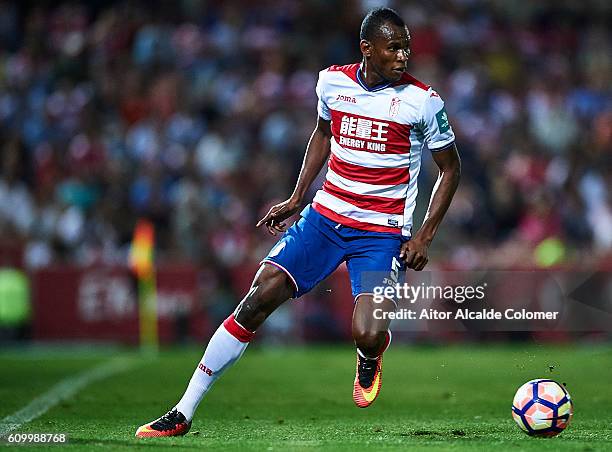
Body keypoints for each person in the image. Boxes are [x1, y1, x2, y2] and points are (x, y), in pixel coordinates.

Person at [135, 7, 461, 437]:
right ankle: (182, 411)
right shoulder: (332, 82)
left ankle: (370, 353)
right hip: (324, 217)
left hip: (382, 233)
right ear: (367, 48)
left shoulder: (423, 100)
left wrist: (424, 235)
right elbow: (323, 133)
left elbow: (451, 168)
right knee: (256, 298)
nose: (404, 55)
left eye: (407, 47)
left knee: (366, 331)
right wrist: (296, 197)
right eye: (394, 47)